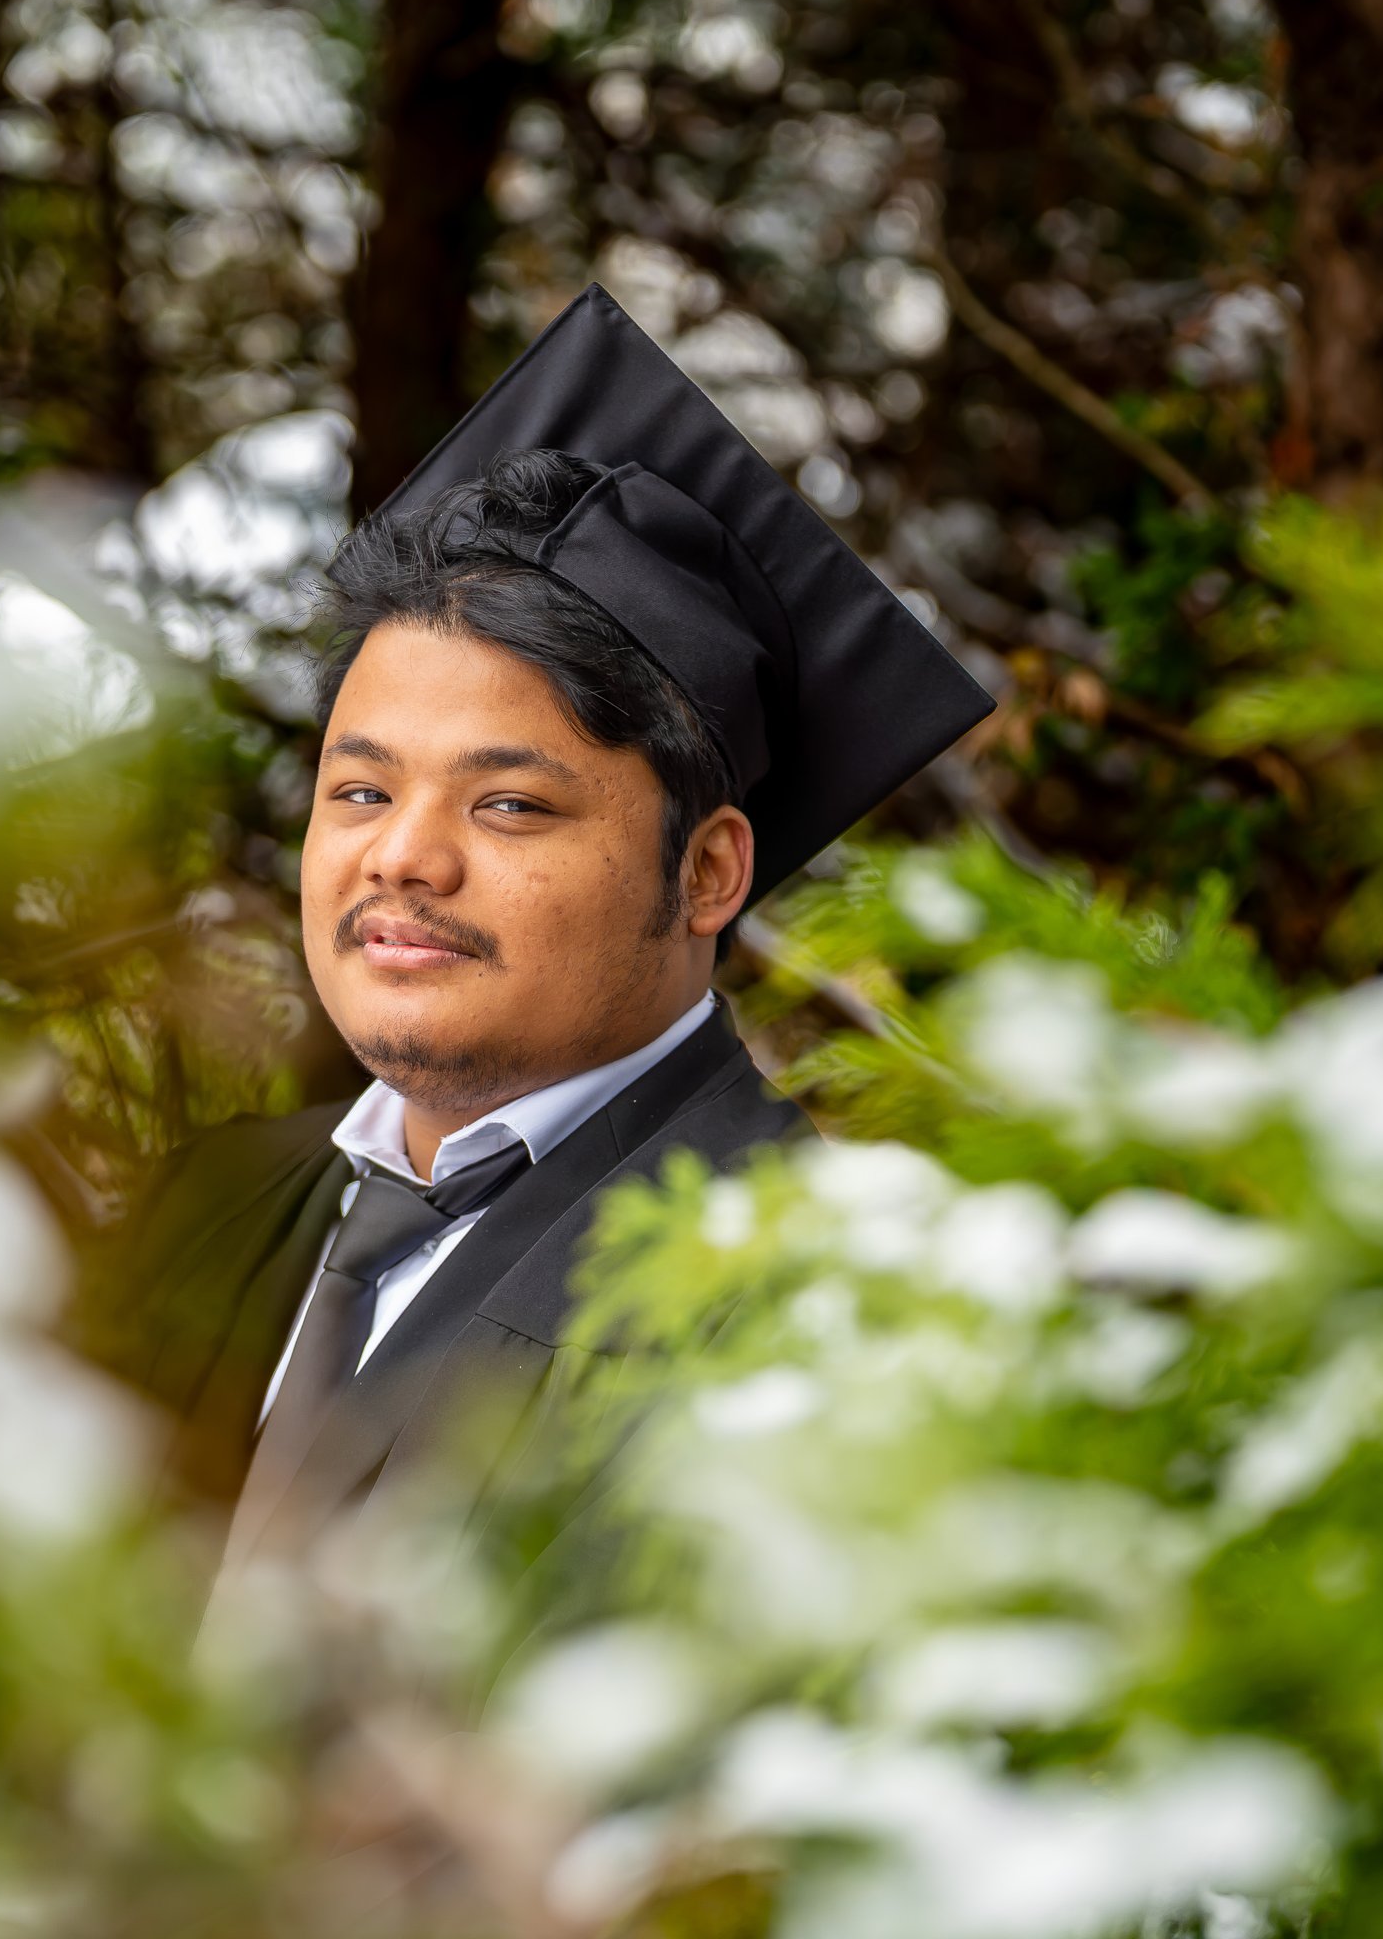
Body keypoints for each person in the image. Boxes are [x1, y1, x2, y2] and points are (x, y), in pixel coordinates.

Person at [94, 286, 992, 1599]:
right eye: (361, 790)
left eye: (508, 802)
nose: (402, 855)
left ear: (706, 872)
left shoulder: (799, 1307)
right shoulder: (206, 1212)